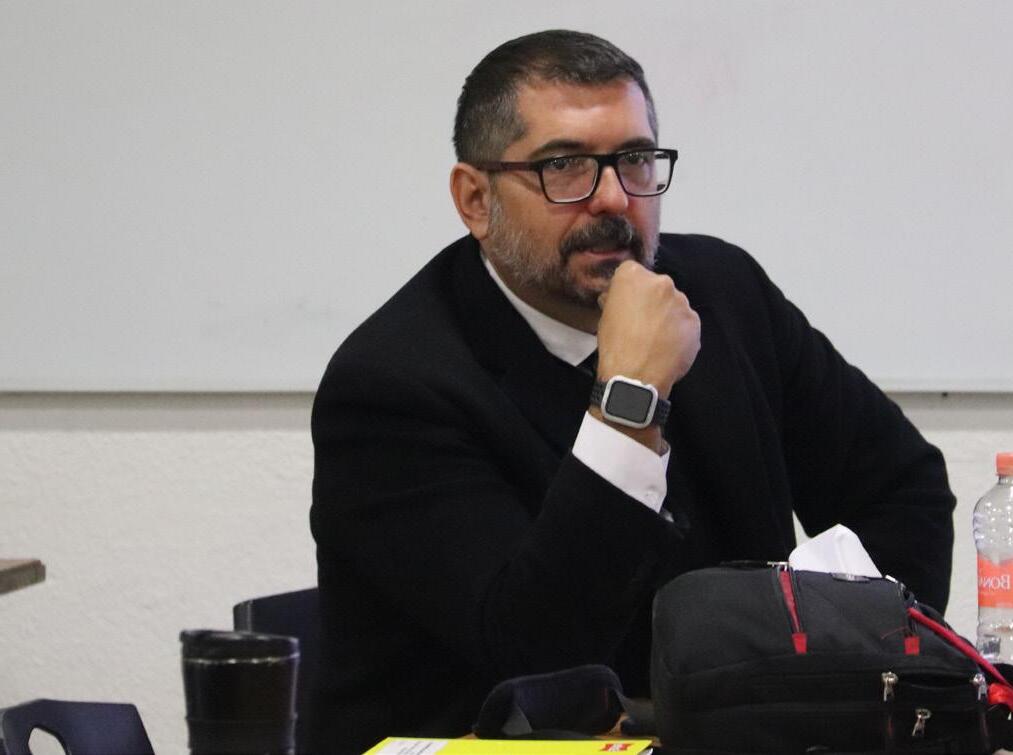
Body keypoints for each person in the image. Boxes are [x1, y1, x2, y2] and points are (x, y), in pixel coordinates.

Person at [309, 29, 955, 755]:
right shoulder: (392, 388)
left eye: (635, 159)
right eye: (564, 166)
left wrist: (826, 672)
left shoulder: (724, 292)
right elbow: (532, 650)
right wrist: (631, 397)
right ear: (475, 199)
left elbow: (903, 492)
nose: (615, 198)